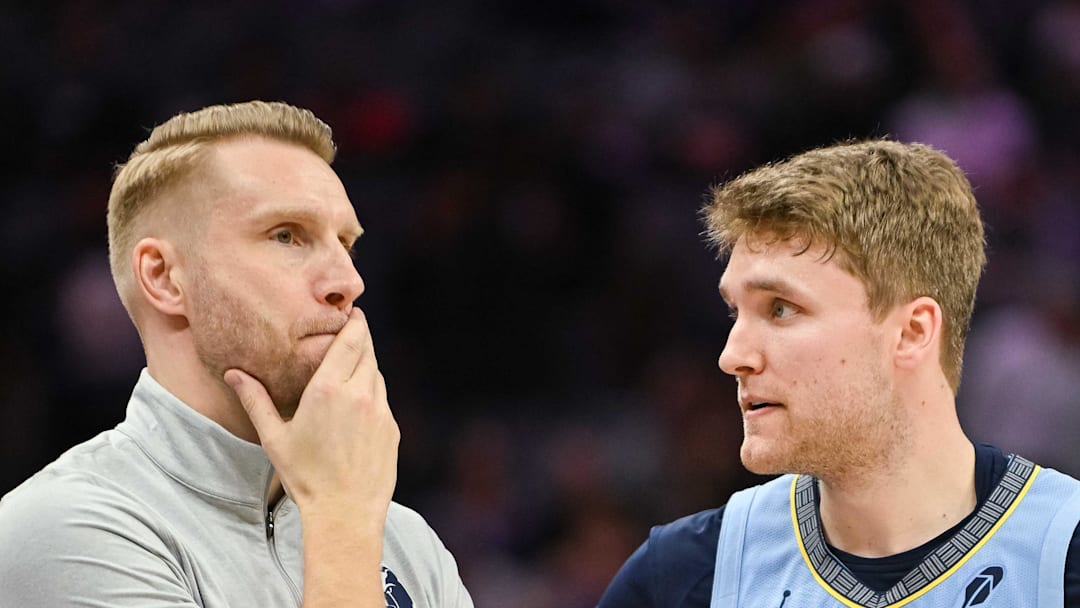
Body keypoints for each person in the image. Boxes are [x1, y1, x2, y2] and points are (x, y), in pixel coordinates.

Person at [0, 101, 473, 608]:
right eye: (287, 235)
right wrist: (340, 521)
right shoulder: (63, 528)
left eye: (345, 244)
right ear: (163, 278)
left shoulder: (408, 542)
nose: (348, 282)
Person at [598, 140, 1080, 607]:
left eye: (781, 308)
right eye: (735, 312)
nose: (732, 355)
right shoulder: (682, 575)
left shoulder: (1062, 553)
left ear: (911, 333)